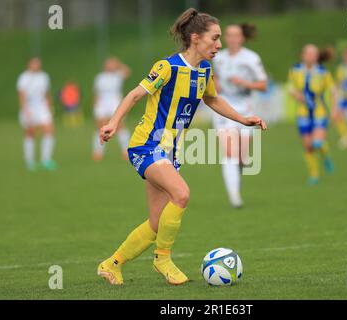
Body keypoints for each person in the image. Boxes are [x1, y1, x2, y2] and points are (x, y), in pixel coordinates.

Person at [96, 8, 267, 286]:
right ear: (196, 38)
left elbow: (212, 99)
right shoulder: (167, 67)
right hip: (146, 145)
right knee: (182, 193)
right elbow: (136, 93)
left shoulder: (205, 70)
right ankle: (162, 258)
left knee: (155, 224)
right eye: (215, 38)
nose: (219, 45)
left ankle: (111, 265)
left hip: (169, 152)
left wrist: (242, 118)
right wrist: (113, 123)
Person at [212, 23, 268, 208]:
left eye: (236, 35)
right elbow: (213, 77)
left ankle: (236, 177)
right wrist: (215, 84)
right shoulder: (218, 57)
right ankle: (234, 196)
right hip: (224, 108)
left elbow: (263, 85)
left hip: (246, 109)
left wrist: (244, 83)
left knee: (242, 158)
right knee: (229, 153)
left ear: (242, 38)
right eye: (228, 35)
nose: (232, 38)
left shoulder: (251, 58)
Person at [288, 44, 335, 185]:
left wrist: (335, 109)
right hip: (303, 113)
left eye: (314, 54)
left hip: (319, 111)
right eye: (308, 53)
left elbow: (333, 91)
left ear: (317, 57)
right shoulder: (295, 70)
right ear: (303, 55)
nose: (311, 56)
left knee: (317, 142)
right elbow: (290, 87)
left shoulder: (323, 72)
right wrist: (296, 95)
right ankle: (314, 175)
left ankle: (326, 155)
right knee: (308, 146)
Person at [17, 57, 57, 171]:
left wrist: (50, 107)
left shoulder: (44, 76)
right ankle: (30, 161)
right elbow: (22, 95)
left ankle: (46, 159)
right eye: (33, 64)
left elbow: (47, 93)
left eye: (37, 64)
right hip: (29, 107)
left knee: (49, 130)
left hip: (42, 106)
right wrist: (25, 110)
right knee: (30, 133)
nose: (36, 66)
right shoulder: (23, 77)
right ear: (29, 64)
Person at [92, 57, 131, 161]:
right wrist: (96, 106)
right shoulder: (100, 77)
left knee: (119, 126)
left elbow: (128, 71)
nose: (110, 66)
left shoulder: (117, 75)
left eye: (111, 64)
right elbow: (96, 93)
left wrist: (118, 64)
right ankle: (98, 152)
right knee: (101, 126)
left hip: (115, 102)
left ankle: (126, 151)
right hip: (102, 102)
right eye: (108, 64)